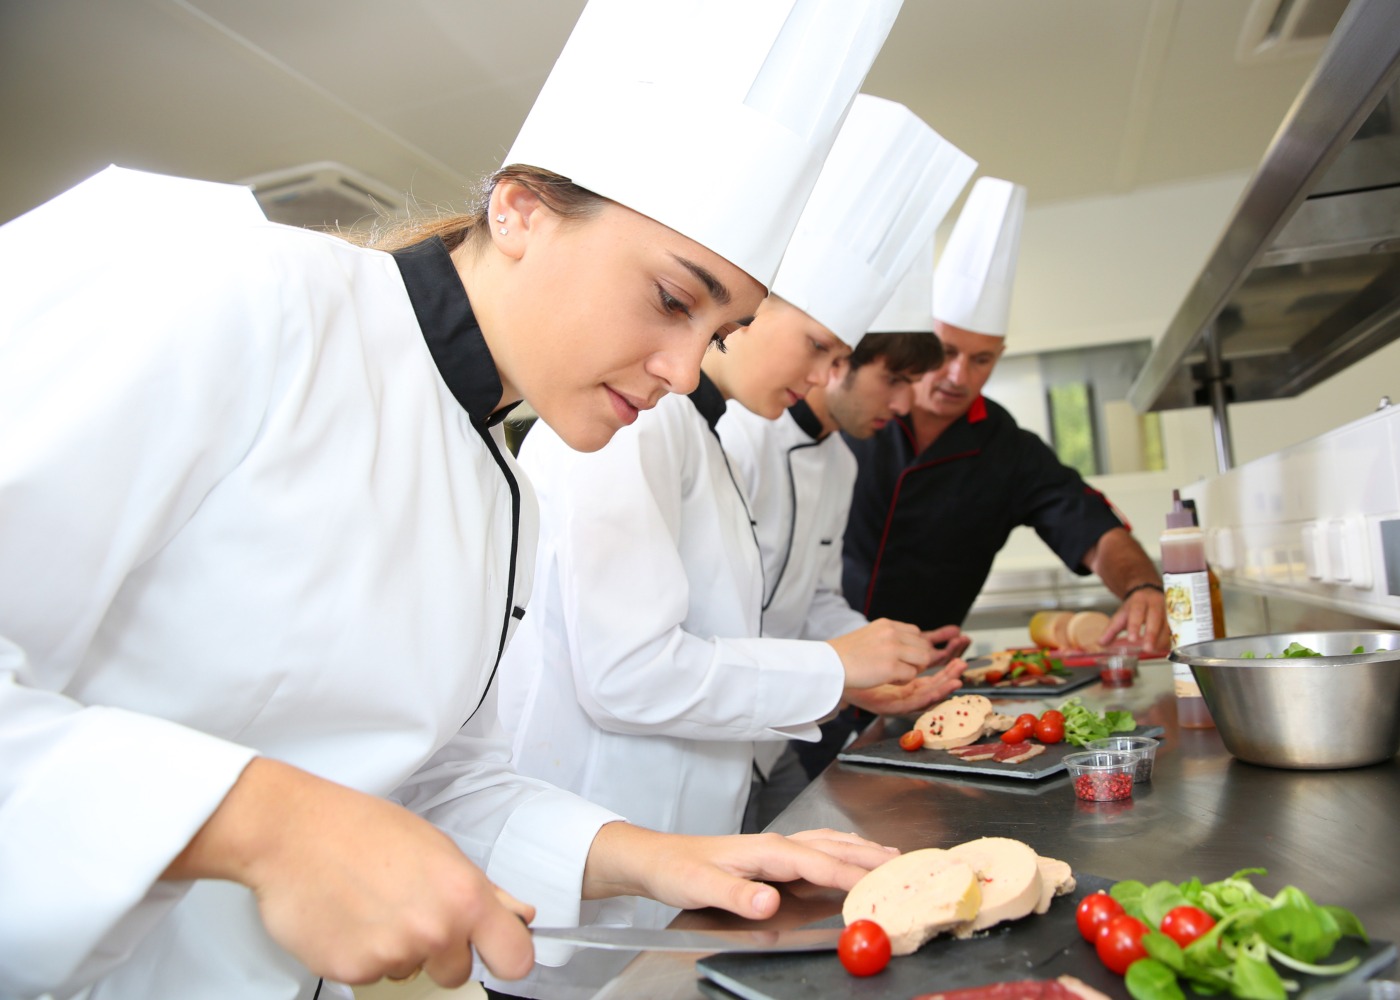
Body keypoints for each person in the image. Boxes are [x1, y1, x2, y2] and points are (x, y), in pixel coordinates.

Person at [0, 2, 908, 997]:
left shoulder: (499, 485)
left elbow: (436, 779)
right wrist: (258, 821)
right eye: (670, 299)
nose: (682, 366)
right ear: (518, 210)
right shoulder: (225, 288)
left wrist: (657, 856)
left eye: (719, 331)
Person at [491, 95, 956, 999]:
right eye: (818, 347)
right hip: (598, 861)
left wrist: (854, 663)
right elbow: (628, 674)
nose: (827, 378)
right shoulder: (624, 429)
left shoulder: (685, 432)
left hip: (684, 857)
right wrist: (833, 670)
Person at [843, 176, 1171, 651]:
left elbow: (1096, 532)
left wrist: (1143, 587)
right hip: (817, 661)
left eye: (982, 360)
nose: (958, 375)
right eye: (946, 350)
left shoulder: (1009, 451)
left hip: (921, 674)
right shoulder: (857, 414)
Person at [720, 246, 980, 831]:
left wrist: (888, 652)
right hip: (720, 729)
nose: (906, 402)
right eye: (895, 379)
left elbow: (815, 600)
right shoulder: (738, 436)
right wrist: (842, 668)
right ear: (839, 364)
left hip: (769, 743)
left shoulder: (841, 463)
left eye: (914, 382)